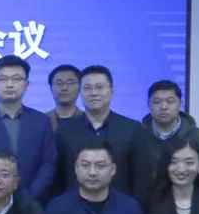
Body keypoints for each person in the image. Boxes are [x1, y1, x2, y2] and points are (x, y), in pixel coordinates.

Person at [56, 65, 153, 206]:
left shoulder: (132, 129)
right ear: (80, 93)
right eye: (87, 88)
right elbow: (59, 177)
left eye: (99, 87)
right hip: (74, 210)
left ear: (111, 91)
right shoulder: (65, 131)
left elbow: (141, 179)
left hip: (121, 210)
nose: (93, 93)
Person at [0, 55, 56, 201]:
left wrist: (30, 195)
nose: (9, 84)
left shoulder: (41, 121)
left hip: (33, 203)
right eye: (3, 79)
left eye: (16, 79)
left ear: (27, 84)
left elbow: (48, 163)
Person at [142, 79, 199, 194]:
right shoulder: (137, 136)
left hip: (191, 202)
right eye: (157, 102)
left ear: (180, 104)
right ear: (148, 104)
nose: (163, 107)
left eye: (170, 101)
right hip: (146, 203)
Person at [45, 64, 84, 131]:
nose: (64, 88)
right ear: (51, 88)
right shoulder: (41, 121)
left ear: (80, 87)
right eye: (59, 83)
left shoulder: (90, 121)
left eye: (70, 83)